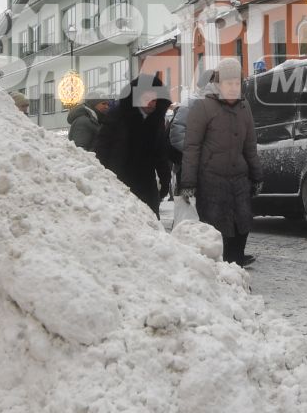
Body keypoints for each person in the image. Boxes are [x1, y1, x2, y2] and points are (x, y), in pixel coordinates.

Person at [179, 58, 260, 266]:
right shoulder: (203, 107)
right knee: (216, 228)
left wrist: (256, 175)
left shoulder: (245, 107)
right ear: (218, 83)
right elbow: (192, 147)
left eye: (236, 83)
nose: (233, 88)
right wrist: (188, 183)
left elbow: (250, 145)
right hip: (212, 180)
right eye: (228, 83)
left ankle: (237, 265)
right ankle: (220, 269)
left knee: (242, 224)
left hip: (240, 179)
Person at [95, 74, 172, 213]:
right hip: (119, 180)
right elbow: (103, 148)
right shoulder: (118, 116)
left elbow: (160, 154)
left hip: (146, 182)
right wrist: (102, 178)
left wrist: (165, 181)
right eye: (147, 99)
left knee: (150, 224)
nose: (151, 103)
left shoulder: (156, 120)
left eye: (155, 100)